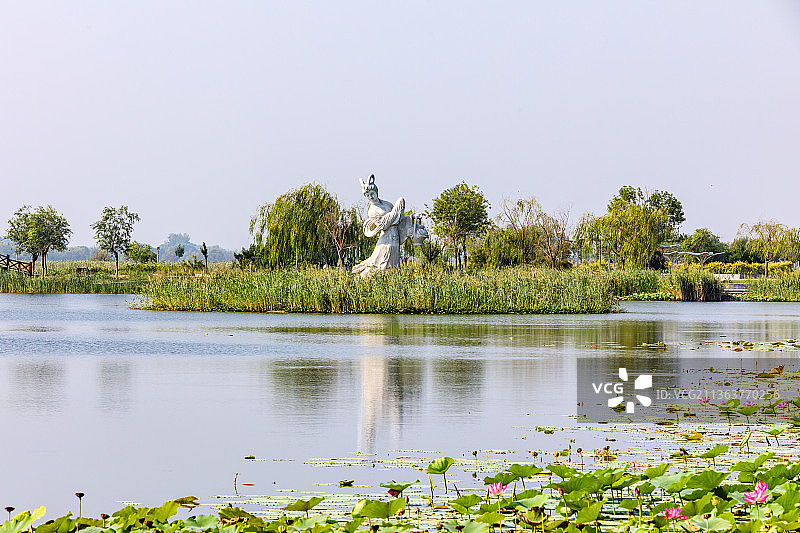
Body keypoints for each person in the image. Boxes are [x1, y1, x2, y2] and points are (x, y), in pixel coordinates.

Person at [352, 175, 416, 276]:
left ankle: (393, 282)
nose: (371, 197)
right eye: (368, 196)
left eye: (372, 194)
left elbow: (399, 219)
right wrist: (395, 212)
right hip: (386, 238)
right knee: (381, 263)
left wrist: (412, 217)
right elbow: (384, 225)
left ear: (376, 192)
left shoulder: (388, 204)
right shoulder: (372, 211)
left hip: (395, 236)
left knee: (394, 264)